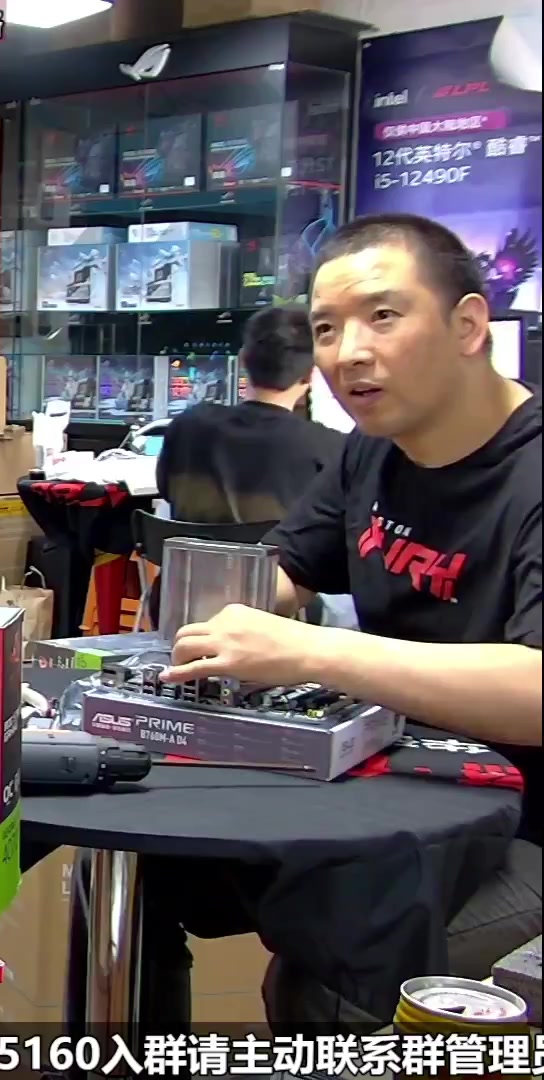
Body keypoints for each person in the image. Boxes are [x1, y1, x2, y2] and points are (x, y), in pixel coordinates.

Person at [161, 213, 541, 1027]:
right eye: (327, 329)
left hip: (525, 830)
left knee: (330, 980)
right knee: (162, 871)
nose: (348, 353)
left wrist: (312, 651)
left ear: (469, 325)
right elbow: (285, 571)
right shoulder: (373, 450)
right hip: (399, 792)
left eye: (383, 316)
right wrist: (219, 606)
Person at [154, 304, 346, 525]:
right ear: (311, 375)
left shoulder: (187, 426)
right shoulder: (333, 449)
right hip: (279, 550)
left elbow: (167, 491)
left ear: (243, 360)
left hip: (187, 549)